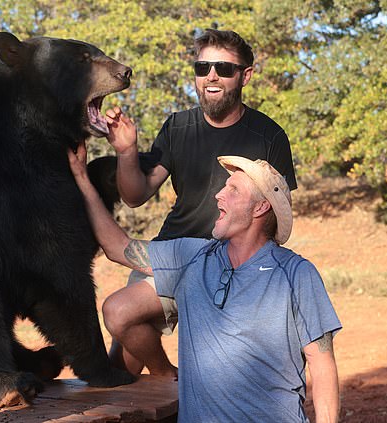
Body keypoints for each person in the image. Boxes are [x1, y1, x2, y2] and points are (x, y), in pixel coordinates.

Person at [67, 147, 341, 422]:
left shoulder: (296, 274)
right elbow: (118, 248)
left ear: (260, 207)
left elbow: (322, 366)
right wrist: (81, 177)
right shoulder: (193, 257)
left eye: (233, 190)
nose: (219, 194)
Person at [102, 28, 298, 376]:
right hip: (171, 254)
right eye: (203, 67)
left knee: (227, 374)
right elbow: (135, 195)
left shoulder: (269, 136)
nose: (211, 76)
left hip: (230, 266)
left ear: (245, 76)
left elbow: (275, 217)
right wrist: (127, 151)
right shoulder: (177, 127)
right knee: (122, 364)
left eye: (224, 68)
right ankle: (167, 377)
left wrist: (245, 272)